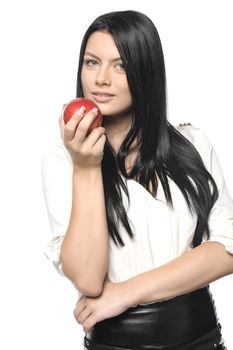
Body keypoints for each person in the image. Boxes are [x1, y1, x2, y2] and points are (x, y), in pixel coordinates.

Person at [41, 10, 233, 350]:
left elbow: (227, 249)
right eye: (91, 62)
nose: (101, 78)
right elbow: (87, 277)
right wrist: (86, 167)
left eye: (121, 65)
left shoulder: (193, 145)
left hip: (203, 339)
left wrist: (128, 293)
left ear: (146, 71)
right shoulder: (62, 162)